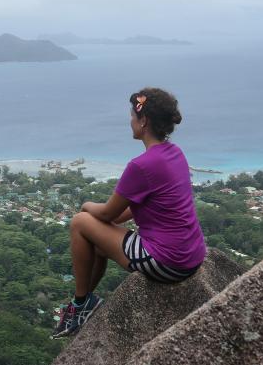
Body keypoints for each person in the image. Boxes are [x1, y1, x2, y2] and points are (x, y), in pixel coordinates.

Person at [51, 87, 207, 339]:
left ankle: (80, 305)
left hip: (167, 262)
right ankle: (83, 303)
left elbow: (106, 213)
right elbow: (127, 212)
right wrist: (103, 220)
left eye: (133, 116)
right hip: (191, 254)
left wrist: (87, 206)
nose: (130, 121)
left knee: (80, 223)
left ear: (143, 121)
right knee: (98, 243)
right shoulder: (174, 153)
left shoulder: (141, 165)